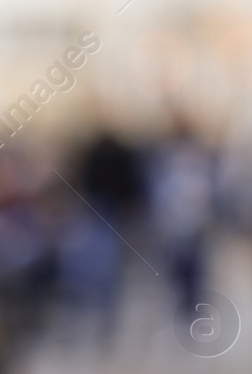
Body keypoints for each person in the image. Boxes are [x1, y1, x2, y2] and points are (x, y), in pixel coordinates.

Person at [59, 128, 143, 349]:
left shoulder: (121, 158)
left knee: (109, 269)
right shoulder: (95, 158)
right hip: (98, 213)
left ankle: (105, 319)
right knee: (94, 268)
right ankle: (92, 316)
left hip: (111, 216)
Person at [149, 118, 216, 325]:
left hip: (195, 226)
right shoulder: (165, 161)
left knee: (194, 271)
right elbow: (160, 194)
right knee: (175, 269)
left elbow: (208, 193)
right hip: (174, 226)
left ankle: (194, 310)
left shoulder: (201, 162)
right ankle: (179, 308)